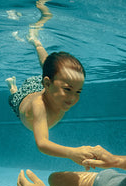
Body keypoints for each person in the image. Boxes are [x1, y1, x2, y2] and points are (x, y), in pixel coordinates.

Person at [6, 0, 95, 167]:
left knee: (49, 67)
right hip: (24, 99)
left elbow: (50, 72)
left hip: (39, 87)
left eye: (78, 92)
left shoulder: (53, 89)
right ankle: (12, 86)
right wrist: (72, 153)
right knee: (14, 99)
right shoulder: (39, 106)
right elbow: (42, 144)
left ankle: (36, 41)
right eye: (68, 89)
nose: (73, 97)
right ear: (47, 84)